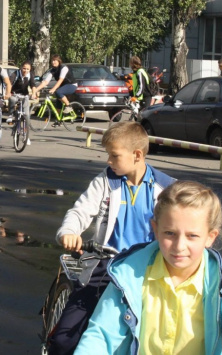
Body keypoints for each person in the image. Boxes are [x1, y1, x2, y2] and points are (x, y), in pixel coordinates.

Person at [76, 181, 222, 355]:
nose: (179, 246)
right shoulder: (128, 275)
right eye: (170, 233)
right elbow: (101, 334)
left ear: (210, 237)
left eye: (192, 236)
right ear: (155, 229)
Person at [48, 122, 175, 355]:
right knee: (64, 341)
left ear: (137, 155)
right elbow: (81, 211)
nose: (108, 161)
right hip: (105, 265)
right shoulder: (105, 181)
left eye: (114, 156)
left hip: (147, 271)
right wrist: (69, 231)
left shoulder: (166, 188)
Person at [7, 61, 33, 142]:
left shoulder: (30, 75)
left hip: (24, 96)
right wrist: (8, 93)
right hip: (15, 94)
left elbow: (33, 85)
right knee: (12, 99)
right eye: (24, 68)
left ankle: (26, 135)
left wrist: (34, 93)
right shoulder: (16, 73)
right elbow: (9, 83)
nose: (25, 70)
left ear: (30, 69)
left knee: (27, 116)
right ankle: (11, 114)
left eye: (28, 69)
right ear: (21, 68)